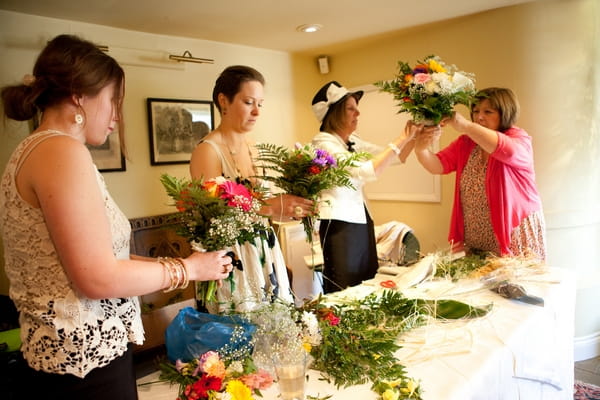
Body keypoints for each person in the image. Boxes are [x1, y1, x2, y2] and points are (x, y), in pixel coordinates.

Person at [0, 34, 233, 400]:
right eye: (113, 100)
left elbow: (104, 259)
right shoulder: (60, 151)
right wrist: (190, 270)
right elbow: (97, 277)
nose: (115, 117)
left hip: (71, 357)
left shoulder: (36, 149)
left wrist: (183, 263)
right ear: (79, 95)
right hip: (84, 367)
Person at [190, 65, 314, 312]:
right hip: (230, 259)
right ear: (223, 101)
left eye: (260, 103)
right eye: (248, 102)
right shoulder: (207, 151)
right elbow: (218, 220)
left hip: (264, 251)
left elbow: (264, 206)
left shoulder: (254, 148)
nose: (257, 111)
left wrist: (288, 208)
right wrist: (269, 207)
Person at [413, 87, 546, 260]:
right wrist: (420, 149)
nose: (479, 117)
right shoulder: (467, 142)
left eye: (488, 111)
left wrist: (466, 126)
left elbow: (508, 151)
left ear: (505, 113)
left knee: (514, 285)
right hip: (477, 238)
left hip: (514, 233)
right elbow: (438, 166)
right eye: (475, 111)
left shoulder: (519, 138)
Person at [310, 80, 418, 293]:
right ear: (334, 113)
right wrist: (402, 138)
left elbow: (395, 157)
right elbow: (367, 170)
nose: (357, 114)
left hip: (361, 220)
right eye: (351, 108)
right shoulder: (323, 143)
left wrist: (415, 136)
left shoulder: (352, 142)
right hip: (339, 225)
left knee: (365, 279)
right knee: (344, 285)